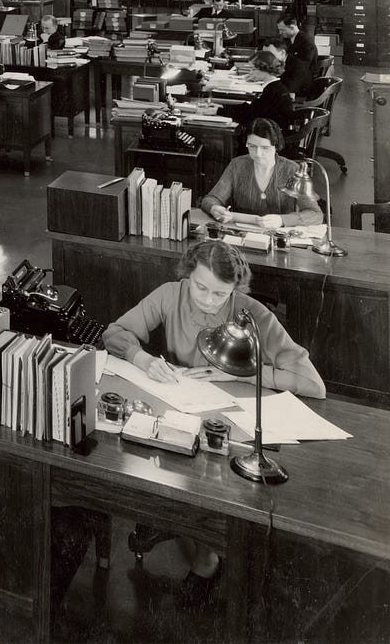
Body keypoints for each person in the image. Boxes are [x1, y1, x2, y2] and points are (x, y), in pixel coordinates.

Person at [101, 239, 324, 604]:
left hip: (230, 415)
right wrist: (142, 359)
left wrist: (240, 376)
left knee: (209, 479)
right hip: (177, 402)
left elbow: (313, 383)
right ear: (188, 274)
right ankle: (176, 522)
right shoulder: (170, 294)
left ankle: (206, 557)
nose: (206, 299)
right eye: (200, 287)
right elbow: (115, 333)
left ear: (236, 289)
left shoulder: (252, 314)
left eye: (219, 293)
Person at [200, 117, 322, 229]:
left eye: (265, 148)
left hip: (277, 237)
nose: (257, 154)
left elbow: (315, 214)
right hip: (240, 233)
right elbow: (210, 199)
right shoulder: (237, 165)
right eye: (252, 146)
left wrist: (282, 220)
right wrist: (214, 208)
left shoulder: (292, 169)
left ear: (276, 146)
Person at [222, 51, 295, 133]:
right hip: (270, 129)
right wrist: (222, 107)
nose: (250, 72)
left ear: (265, 69)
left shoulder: (272, 90)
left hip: (271, 136)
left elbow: (250, 115)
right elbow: (252, 109)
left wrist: (220, 111)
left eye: (253, 69)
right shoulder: (274, 86)